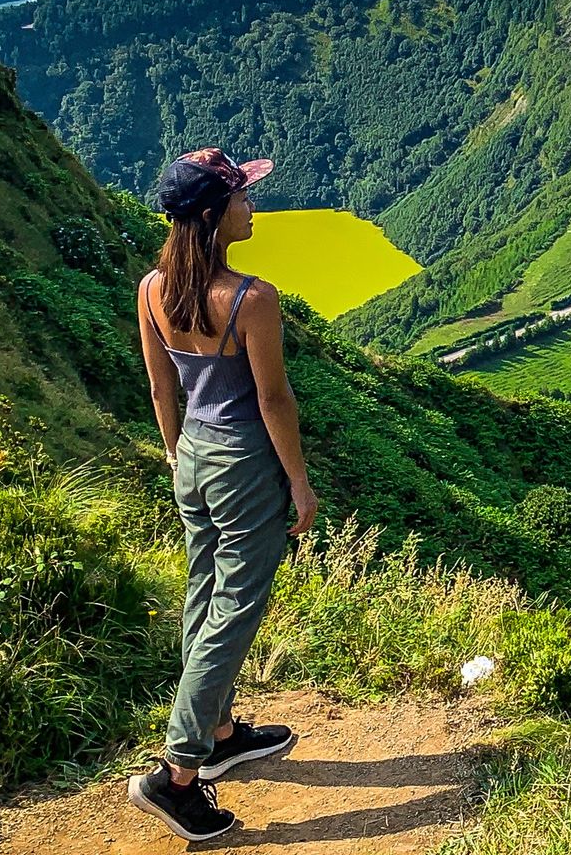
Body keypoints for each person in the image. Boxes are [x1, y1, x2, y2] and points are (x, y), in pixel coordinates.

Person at [125, 148, 319, 844]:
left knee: (203, 593)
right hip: (243, 464)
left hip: (194, 456)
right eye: (242, 196)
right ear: (213, 214)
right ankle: (178, 774)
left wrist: (176, 452)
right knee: (235, 607)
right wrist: (298, 482)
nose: (251, 205)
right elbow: (272, 399)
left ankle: (221, 731)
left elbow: (161, 388)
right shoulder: (250, 298)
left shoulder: (153, 289)